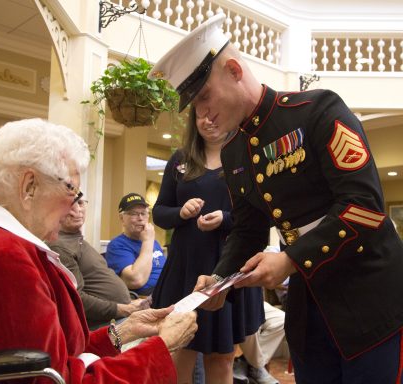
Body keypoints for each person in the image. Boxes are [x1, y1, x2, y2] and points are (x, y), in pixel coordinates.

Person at [149, 14, 403, 384]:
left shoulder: (318, 111)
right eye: (194, 104)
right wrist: (219, 278)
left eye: (204, 95)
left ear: (234, 70)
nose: (201, 112)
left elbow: (363, 207)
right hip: (309, 309)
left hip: (369, 301)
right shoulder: (235, 152)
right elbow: (248, 231)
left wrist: (290, 258)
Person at [0, 118, 198, 383]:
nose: (74, 208)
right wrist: (162, 347)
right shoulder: (0, 255)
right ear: (29, 186)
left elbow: (56, 351)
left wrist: (122, 333)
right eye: (71, 190)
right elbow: (54, 379)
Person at [150, 106, 264, 383]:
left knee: (222, 356)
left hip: (228, 265)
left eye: (214, 114)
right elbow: (160, 213)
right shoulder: (180, 159)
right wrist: (181, 212)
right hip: (186, 268)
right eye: (201, 115)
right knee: (180, 348)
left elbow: (260, 215)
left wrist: (225, 218)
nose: (207, 121)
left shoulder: (245, 158)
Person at [48, 198, 149, 329]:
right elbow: (76, 299)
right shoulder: (59, 246)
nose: (77, 210)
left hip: (124, 311)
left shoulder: (77, 241)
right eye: (69, 203)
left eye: (80, 203)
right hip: (105, 325)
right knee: (165, 335)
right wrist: (125, 309)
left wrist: (131, 302)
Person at [106, 193, 166, 296]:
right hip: (146, 297)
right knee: (190, 313)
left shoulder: (154, 242)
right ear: (122, 218)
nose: (140, 218)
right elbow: (136, 280)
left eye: (143, 213)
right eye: (134, 214)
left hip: (167, 290)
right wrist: (147, 241)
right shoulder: (117, 245)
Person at [235, 301, 285, 384]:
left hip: (256, 300)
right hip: (234, 300)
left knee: (283, 319)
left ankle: (246, 362)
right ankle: (256, 366)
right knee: (252, 325)